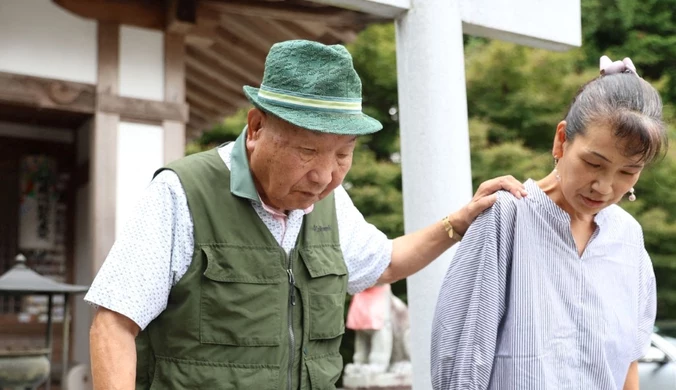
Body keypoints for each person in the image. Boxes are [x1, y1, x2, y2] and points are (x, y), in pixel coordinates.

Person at [85, 39, 527, 390]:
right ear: (256, 128)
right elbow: (113, 325)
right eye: (307, 150)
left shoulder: (331, 204)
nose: (324, 175)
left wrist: (460, 222)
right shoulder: (182, 192)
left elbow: (386, 262)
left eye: (343, 155)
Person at [431, 55, 667, 390]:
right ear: (561, 140)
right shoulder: (505, 216)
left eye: (627, 172)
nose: (604, 186)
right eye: (593, 163)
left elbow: (629, 359)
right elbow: (461, 360)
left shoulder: (628, 237)